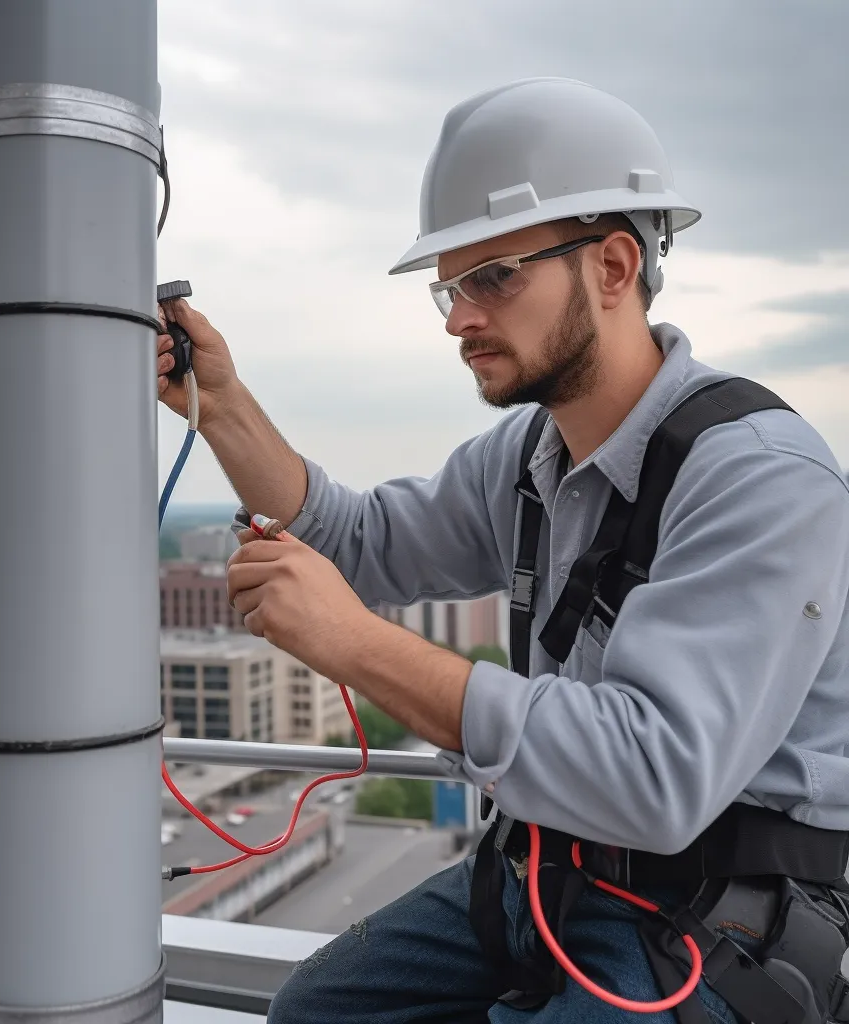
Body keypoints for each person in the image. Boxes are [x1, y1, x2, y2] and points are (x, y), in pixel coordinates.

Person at [157, 78, 849, 1023]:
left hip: (710, 915)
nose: (457, 319)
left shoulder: (759, 477)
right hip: (547, 873)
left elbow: (655, 779)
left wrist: (354, 643)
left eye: (494, 277)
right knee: (314, 1012)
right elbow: (360, 541)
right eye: (451, 287)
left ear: (614, 267)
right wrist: (222, 404)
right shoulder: (528, 456)